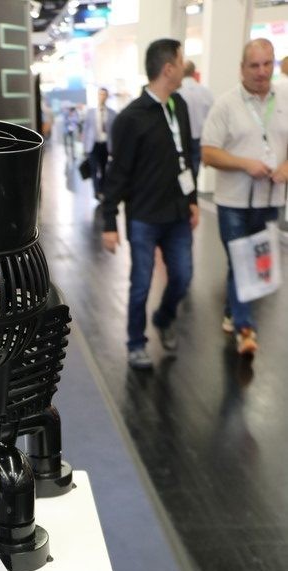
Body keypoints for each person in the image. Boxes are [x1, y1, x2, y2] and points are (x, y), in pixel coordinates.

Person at [101, 38, 198, 371]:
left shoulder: (179, 105)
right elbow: (117, 174)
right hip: (144, 217)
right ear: (168, 69)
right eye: (181, 61)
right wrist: (110, 222)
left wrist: (192, 200)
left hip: (178, 214)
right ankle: (135, 343)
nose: (185, 67)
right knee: (140, 284)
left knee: (183, 277)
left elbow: (186, 156)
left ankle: (164, 317)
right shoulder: (131, 118)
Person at [201, 38, 288, 357]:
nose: (261, 71)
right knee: (242, 261)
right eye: (254, 65)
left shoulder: (285, 98)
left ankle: (232, 311)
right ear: (242, 69)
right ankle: (245, 329)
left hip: (271, 200)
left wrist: (285, 168)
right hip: (233, 203)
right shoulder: (226, 105)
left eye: (267, 64)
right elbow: (208, 153)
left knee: (254, 262)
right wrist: (244, 163)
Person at [177, 60, 213, 180]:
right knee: (195, 170)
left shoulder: (177, 92)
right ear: (194, 72)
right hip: (200, 137)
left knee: (182, 169)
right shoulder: (205, 92)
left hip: (181, 138)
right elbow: (211, 116)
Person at [82, 87, 117, 200]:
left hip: (105, 145)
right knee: (93, 168)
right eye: (100, 94)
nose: (102, 97)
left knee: (103, 168)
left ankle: (102, 189)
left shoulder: (112, 113)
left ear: (107, 97)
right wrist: (84, 147)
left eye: (104, 94)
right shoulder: (90, 112)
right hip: (93, 145)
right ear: (97, 96)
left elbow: (114, 132)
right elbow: (86, 130)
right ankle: (96, 191)